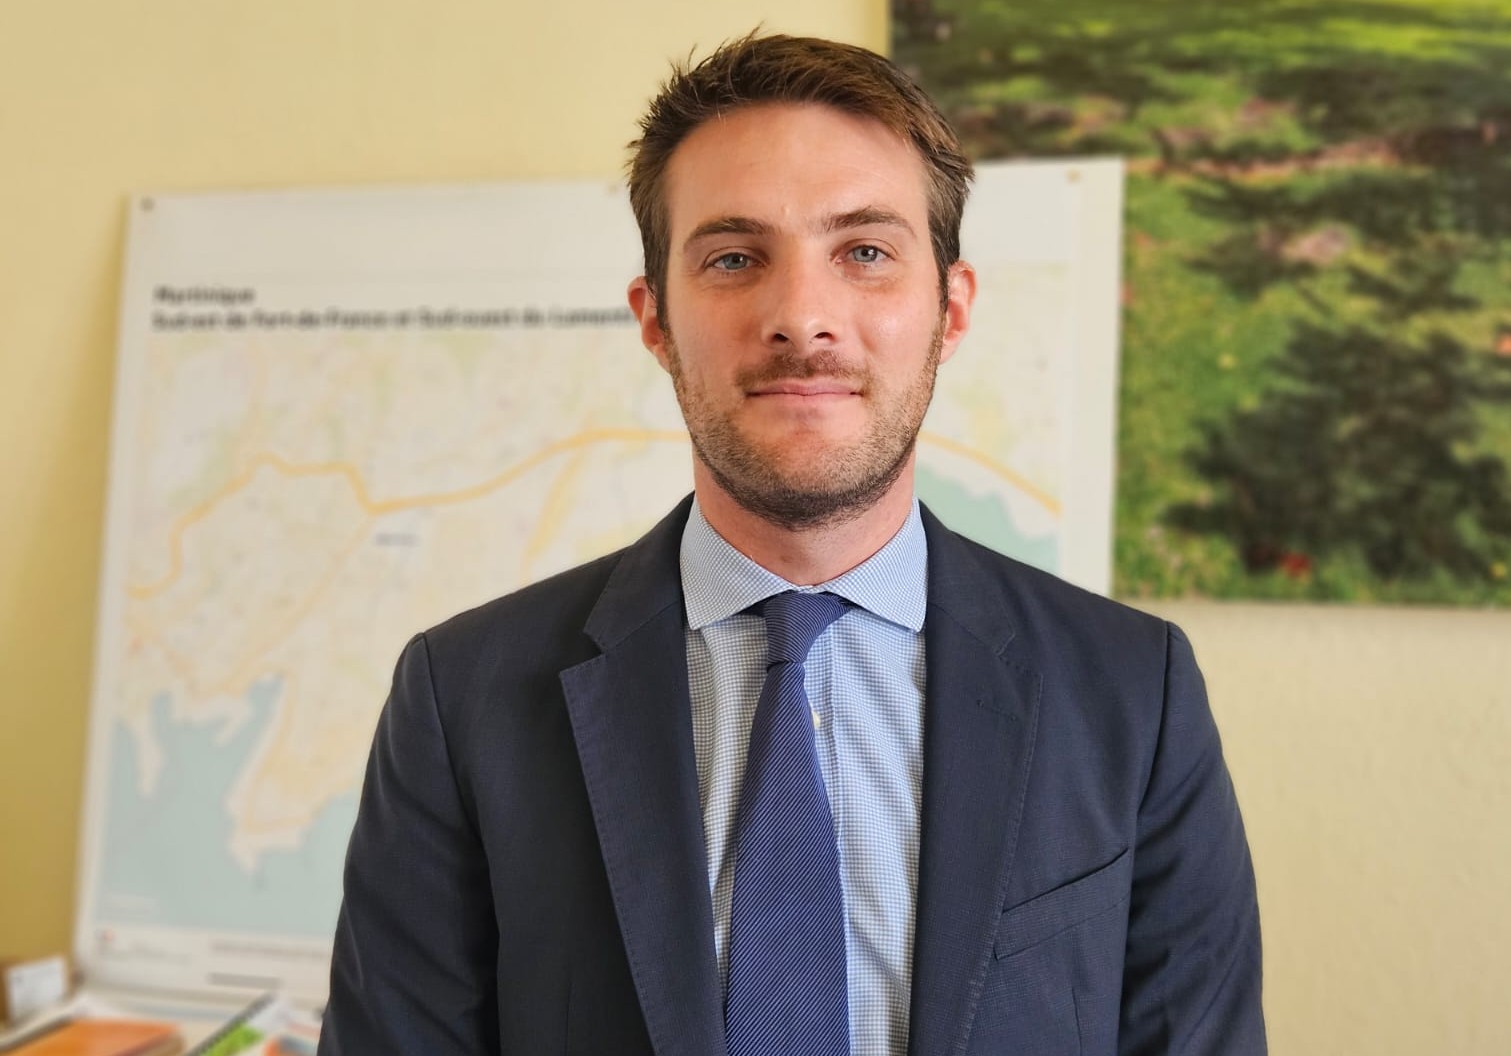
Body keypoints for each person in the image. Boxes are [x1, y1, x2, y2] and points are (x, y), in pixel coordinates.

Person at [319, 33, 1266, 1056]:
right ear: (655, 321)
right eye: (733, 258)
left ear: (950, 311)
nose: (802, 317)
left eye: (865, 253)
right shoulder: (463, 699)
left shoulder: (1132, 691)